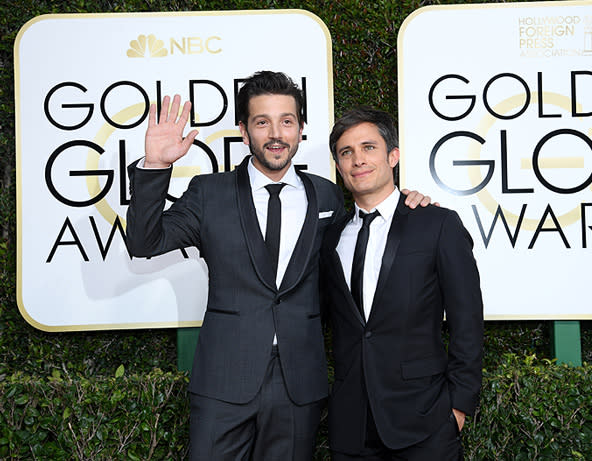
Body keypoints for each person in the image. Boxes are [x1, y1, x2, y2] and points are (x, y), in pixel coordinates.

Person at [126, 71, 429, 460]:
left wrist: (410, 206)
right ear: (243, 130)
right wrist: (154, 165)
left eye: (287, 121)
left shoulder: (328, 195)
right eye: (262, 122)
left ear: (300, 129)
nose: (276, 133)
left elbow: (371, 233)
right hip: (223, 382)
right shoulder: (209, 194)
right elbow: (143, 242)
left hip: (298, 385)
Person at [321, 107, 484, 460]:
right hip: (352, 428)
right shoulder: (330, 237)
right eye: (346, 152)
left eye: (369, 148)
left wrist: (458, 407)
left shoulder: (437, 224)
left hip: (425, 422)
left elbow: (466, 321)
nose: (358, 160)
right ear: (338, 166)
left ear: (393, 156)